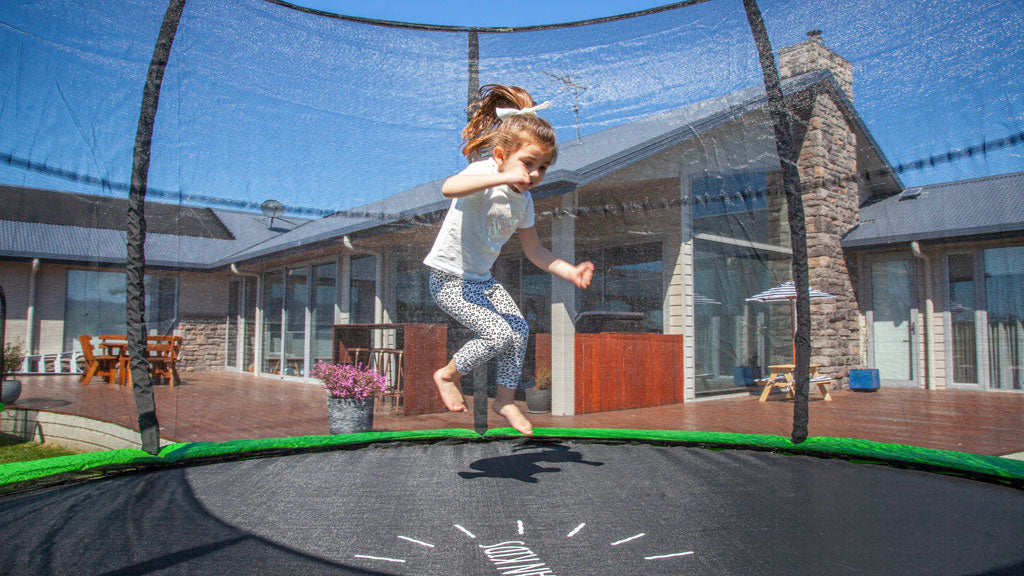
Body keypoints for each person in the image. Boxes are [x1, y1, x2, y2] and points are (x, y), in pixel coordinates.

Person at [424, 84, 594, 436]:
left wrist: (569, 271)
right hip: (448, 278)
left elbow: (535, 251)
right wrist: (502, 176)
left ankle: (504, 400)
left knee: (518, 330)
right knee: (499, 333)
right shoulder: (484, 173)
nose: (533, 175)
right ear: (501, 156)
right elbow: (448, 188)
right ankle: (447, 374)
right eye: (528, 164)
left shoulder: (524, 202)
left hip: (480, 281)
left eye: (543, 168)